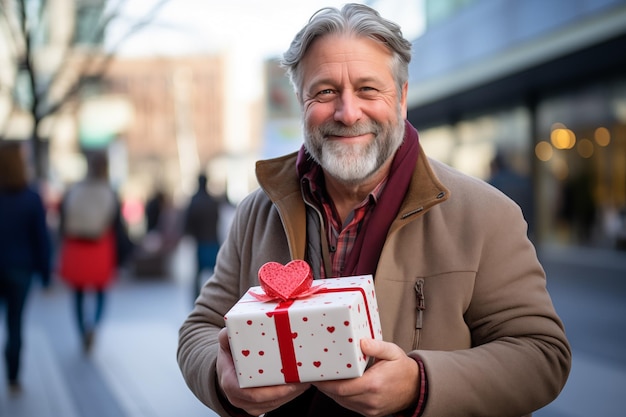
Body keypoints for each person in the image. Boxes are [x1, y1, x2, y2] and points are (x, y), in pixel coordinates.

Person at [177, 4, 571, 417]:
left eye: (368, 89)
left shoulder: (486, 215)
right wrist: (223, 378)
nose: (348, 113)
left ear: (401, 98)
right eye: (325, 91)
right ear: (300, 101)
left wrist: (420, 384)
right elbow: (200, 329)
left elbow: (542, 355)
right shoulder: (257, 212)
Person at [57, 151, 130, 353]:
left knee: (78, 293)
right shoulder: (110, 192)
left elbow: (61, 219)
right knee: (100, 291)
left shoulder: (74, 189)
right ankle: (94, 325)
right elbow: (118, 226)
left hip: (76, 246)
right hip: (101, 247)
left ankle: (82, 330)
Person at [0, 142, 51, 394]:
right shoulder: (31, 197)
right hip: (20, 270)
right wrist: (46, 274)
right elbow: (41, 239)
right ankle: (13, 377)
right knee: (15, 324)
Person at [183, 173, 221, 299]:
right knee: (216, 273)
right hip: (213, 240)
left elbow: (188, 222)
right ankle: (216, 297)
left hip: (200, 242)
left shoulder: (194, 201)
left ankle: (197, 298)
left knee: (198, 273)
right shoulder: (213, 201)